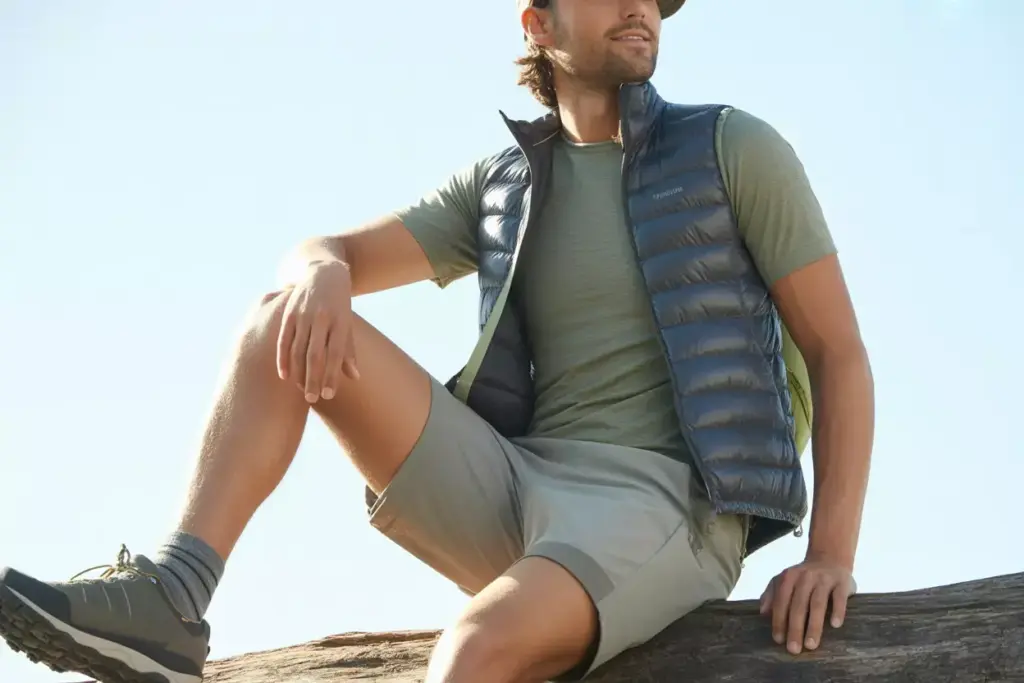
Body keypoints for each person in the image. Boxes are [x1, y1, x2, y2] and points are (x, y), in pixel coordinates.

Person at [0, 0, 875, 681]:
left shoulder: (732, 149)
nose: (639, 6)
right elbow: (322, 250)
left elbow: (839, 351)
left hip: (665, 504)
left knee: (470, 654)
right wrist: (324, 268)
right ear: (539, 24)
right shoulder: (502, 183)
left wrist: (829, 553)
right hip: (512, 481)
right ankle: (173, 596)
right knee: (282, 317)